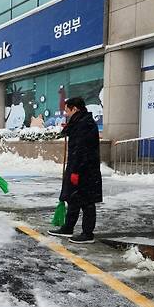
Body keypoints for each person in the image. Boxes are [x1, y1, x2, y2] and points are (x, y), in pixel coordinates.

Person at [48, 97, 102, 244]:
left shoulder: (85, 124)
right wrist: (67, 128)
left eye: (67, 110)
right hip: (77, 166)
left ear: (75, 109)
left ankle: (87, 233)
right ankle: (68, 228)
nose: (66, 113)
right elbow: (69, 134)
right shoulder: (79, 121)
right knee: (73, 199)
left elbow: (82, 150)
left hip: (85, 169)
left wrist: (76, 171)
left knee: (87, 202)